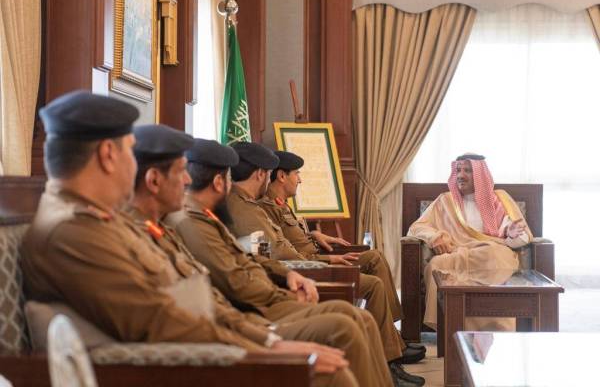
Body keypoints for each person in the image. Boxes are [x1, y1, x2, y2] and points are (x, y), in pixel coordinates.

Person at [20, 91, 354, 387]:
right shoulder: (72, 232)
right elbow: (158, 319)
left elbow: (194, 295)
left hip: (203, 345)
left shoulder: (99, 219)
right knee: (332, 368)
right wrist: (270, 348)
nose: (186, 181)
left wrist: (265, 339)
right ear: (108, 154)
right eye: (130, 153)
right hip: (176, 366)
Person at [164, 138, 425, 386]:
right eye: (179, 174)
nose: (186, 180)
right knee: (347, 324)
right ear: (219, 182)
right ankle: (390, 360)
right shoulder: (195, 222)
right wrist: (281, 295)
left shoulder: (210, 215)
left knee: (358, 314)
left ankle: (392, 354)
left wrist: (289, 271)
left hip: (268, 296)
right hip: (257, 310)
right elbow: (237, 280)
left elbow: (251, 257)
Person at [223, 143, 423, 364]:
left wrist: (314, 235)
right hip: (304, 272)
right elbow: (276, 254)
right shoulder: (253, 208)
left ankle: (393, 339)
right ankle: (391, 352)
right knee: (373, 285)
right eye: (297, 174)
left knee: (375, 257)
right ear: (270, 175)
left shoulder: (259, 205)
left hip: (303, 267)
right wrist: (324, 260)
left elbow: (283, 243)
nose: (300, 180)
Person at [407, 154, 532, 330]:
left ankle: (484, 323)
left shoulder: (499, 200)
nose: (460, 175)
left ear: (480, 175)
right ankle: (452, 326)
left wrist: (510, 235)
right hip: (457, 254)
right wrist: (434, 236)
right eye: (458, 170)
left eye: (467, 170)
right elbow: (417, 227)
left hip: (489, 254)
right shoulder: (445, 201)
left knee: (493, 256)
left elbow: (523, 237)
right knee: (436, 265)